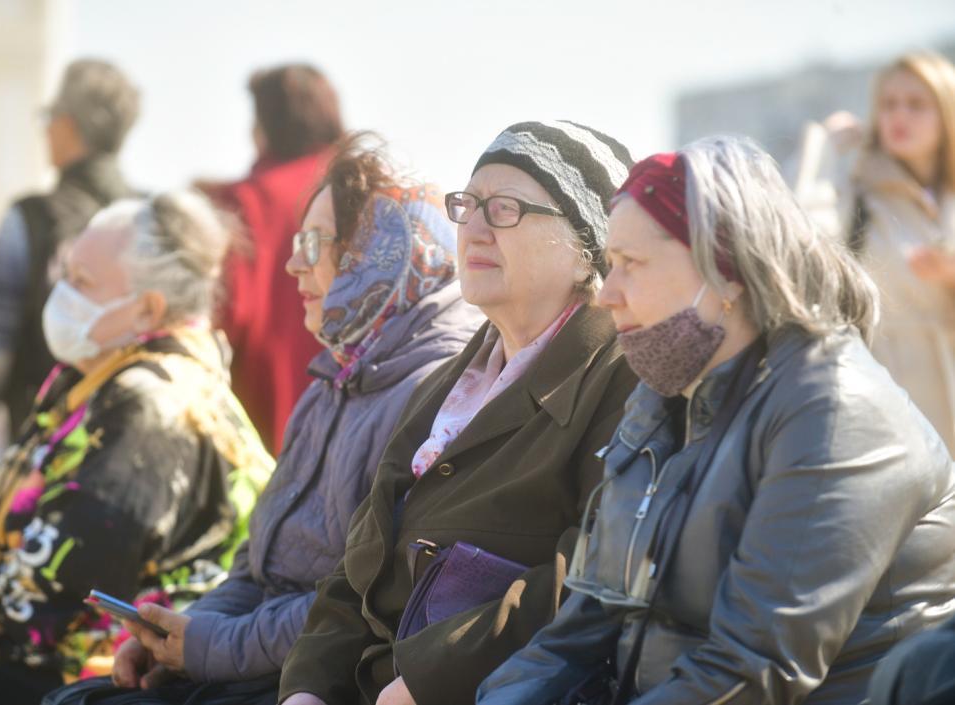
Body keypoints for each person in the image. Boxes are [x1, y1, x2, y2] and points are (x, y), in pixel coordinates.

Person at [476, 136, 955, 705]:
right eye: (609, 265)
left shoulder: (835, 412)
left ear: (727, 271)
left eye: (631, 264)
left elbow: (753, 670)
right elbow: (577, 635)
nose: (608, 294)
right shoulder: (662, 401)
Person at [41, 134, 482, 705]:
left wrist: (208, 646)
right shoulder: (336, 378)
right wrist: (178, 637)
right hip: (257, 663)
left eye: (314, 243)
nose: (293, 263)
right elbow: (258, 568)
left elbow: (357, 602)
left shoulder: (432, 396)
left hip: (319, 681)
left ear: (379, 253)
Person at [278, 120, 639, 705]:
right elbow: (358, 567)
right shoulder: (449, 383)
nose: (471, 229)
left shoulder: (621, 378)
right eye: (467, 205)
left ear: (585, 251)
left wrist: (429, 680)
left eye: (504, 209)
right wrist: (307, 689)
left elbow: (593, 573)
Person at [0, 191, 275, 705]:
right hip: (27, 638)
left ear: (147, 308)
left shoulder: (155, 404)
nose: (62, 293)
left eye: (82, 282)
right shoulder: (104, 374)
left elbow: (56, 575)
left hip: (99, 667)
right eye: (65, 273)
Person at [0, 58, 141, 486]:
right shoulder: (149, 218)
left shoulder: (29, 219)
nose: (46, 130)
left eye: (49, 117)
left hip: (39, 448)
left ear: (68, 125)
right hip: (128, 445)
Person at [794, 50, 955, 455]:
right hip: (889, 408)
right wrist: (825, 148)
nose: (899, 115)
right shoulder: (859, 193)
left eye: (916, 104)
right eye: (888, 104)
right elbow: (801, 240)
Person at [201, 63, 344, 455]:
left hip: (269, 425)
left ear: (264, 126)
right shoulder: (365, 191)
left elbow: (221, 319)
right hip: (359, 423)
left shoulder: (248, 201)